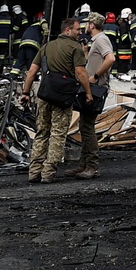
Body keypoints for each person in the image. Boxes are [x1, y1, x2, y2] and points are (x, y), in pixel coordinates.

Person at [19, 18, 91, 184]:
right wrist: (88, 93)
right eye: (77, 30)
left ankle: (34, 171)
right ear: (67, 30)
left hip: (45, 94)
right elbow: (80, 72)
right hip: (63, 97)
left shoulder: (46, 46)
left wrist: (25, 92)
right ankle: (48, 173)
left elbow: (31, 71)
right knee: (58, 133)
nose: (80, 32)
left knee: (42, 132)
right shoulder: (75, 48)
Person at [73, 16, 116, 179]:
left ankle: (92, 166)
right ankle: (84, 164)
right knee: (85, 126)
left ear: (92, 25)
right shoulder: (96, 41)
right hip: (93, 87)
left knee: (88, 127)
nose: (84, 27)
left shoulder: (100, 39)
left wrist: (96, 76)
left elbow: (110, 58)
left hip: (96, 88)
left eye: (86, 24)